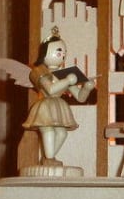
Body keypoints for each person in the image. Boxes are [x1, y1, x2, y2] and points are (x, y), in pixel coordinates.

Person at [22, 29, 95, 167]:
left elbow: (80, 97)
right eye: (59, 51)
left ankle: (48, 158)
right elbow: (50, 90)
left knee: (62, 133)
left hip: (59, 107)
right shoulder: (40, 72)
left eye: (64, 53)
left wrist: (87, 87)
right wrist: (67, 81)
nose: (63, 55)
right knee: (48, 130)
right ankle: (49, 159)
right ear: (46, 53)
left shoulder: (64, 74)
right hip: (45, 106)